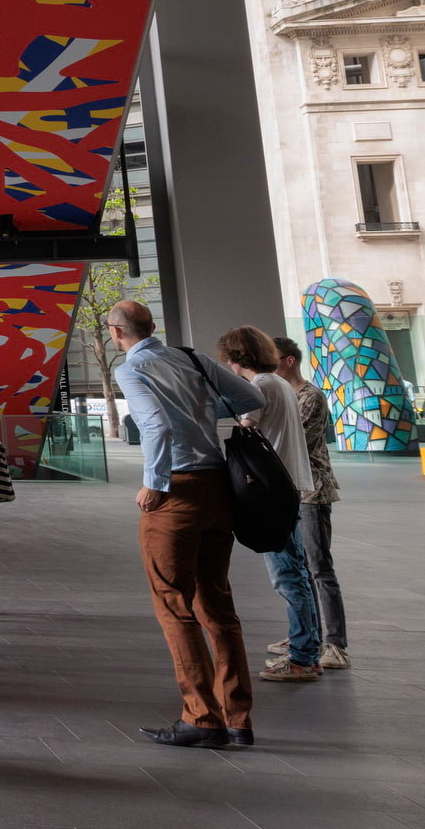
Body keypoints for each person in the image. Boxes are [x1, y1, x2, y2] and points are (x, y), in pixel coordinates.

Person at [109, 299, 264, 748]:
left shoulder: (131, 368)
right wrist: (196, 414)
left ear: (117, 334)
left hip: (177, 491)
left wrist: (153, 482)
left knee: (173, 602)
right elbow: (251, 398)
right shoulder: (190, 357)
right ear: (152, 325)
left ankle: (201, 716)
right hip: (219, 489)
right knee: (217, 604)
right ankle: (238, 716)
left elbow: (154, 425)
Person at [216, 327, 321, 685]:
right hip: (288, 486)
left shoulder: (259, 387)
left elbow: (247, 429)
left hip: (273, 492)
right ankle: (306, 648)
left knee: (288, 576)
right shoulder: (276, 383)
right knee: (296, 572)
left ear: (235, 358)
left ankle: (304, 656)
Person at [272, 337, 348, 670]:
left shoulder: (310, 396)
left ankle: (336, 644)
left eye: (271, 359)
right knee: (297, 569)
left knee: (319, 568)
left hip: (312, 491)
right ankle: (308, 635)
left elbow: (295, 439)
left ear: (289, 361)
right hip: (288, 491)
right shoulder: (282, 396)